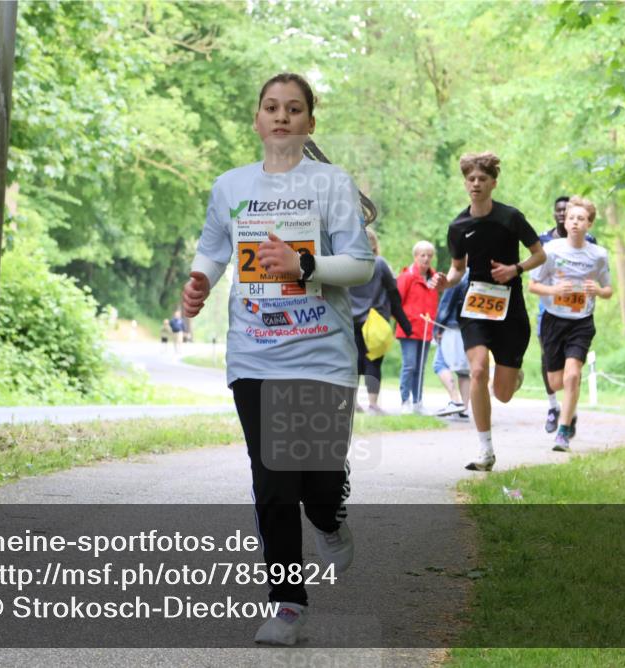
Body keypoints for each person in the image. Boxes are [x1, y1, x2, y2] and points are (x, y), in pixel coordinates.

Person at [181, 72, 377, 646]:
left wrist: (304, 267)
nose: (282, 116)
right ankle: (287, 602)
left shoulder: (332, 183)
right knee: (272, 481)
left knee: (315, 485)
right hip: (256, 353)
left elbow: (360, 263)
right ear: (257, 118)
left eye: (294, 109)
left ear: (310, 122)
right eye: (271, 107)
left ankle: (329, 518)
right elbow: (214, 247)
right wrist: (200, 282)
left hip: (322, 354)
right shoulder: (231, 185)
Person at [430, 152, 545, 471]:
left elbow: (540, 255)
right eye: (471, 179)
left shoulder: (511, 218)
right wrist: (444, 282)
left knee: (503, 393)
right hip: (476, 304)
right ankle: (485, 450)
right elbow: (456, 272)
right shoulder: (458, 226)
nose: (476, 183)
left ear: (493, 183)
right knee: (478, 369)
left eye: (482, 179)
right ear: (465, 184)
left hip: (510, 307)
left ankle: (514, 376)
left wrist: (515, 268)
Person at [528, 196, 612, 452]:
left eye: (581, 219)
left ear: (589, 225)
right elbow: (532, 286)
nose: (575, 223)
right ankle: (569, 407)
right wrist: (553, 290)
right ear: (565, 222)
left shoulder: (598, 254)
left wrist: (597, 290)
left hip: (581, 321)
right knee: (556, 382)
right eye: (571, 218)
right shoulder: (551, 250)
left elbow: (608, 290)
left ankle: (563, 433)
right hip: (554, 320)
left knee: (573, 375)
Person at [536, 196, 599, 433]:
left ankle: (568, 409)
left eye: (568, 211)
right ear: (555, 214)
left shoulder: (590, 240)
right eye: (560, 211)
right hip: (548, 308)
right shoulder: (544, 239)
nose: (564, 215)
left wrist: (593, 294)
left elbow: (595, 271)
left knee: (573, 367)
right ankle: (554, 407)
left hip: (577, 310)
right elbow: (537, 272)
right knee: (549, 360)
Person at [349, 227, 414, 414]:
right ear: (374, 243)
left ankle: (353, 403)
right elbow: (394, 296)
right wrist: (405, 324)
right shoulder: (379, 264)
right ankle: (373, 404)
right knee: (373, 361)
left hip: (351, 320)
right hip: (375, 321)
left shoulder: (348, 266)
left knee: (354, 362)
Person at [396, 240, 440, 414]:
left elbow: (435, 304)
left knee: (420, 368)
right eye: (422, 255)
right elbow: (396, 303)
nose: (426, 259)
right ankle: (404, 401)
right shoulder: (407, 276)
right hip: (408, 330)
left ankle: (418, 402)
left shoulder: (435, 278)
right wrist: (405, 322)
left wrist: (435, 328)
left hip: (426, 330)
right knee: (410, 365)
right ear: (415, 257)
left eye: (429, 255)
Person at [433, 272, 471, 420]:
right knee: (463, 371)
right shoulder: (478, 275)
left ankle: (455, 401)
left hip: (451, 327)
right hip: (469, 328)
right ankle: (464, 410)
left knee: (439, 363)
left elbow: (446, 303)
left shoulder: (458, 275)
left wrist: (438, 328)